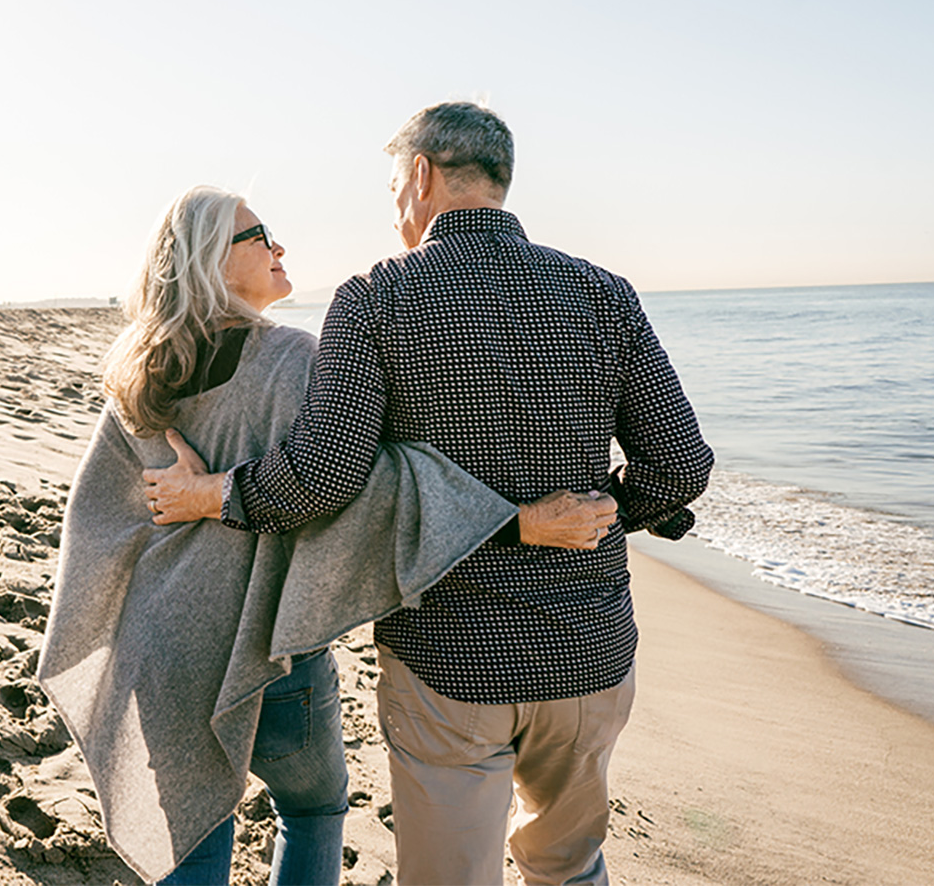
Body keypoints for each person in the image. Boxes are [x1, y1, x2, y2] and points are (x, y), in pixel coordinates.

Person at [144, 103, 714, 886]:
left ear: (420, 176)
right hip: (590, 650)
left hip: (451, 658)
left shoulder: (377, 296)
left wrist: (216, 493)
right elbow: (681, 465)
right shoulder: (603, 291)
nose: (394, 208)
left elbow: (323, 476)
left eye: (391, 186)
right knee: (570, 869)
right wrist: (616, 507)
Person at [37, 186, 616, 885]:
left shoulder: (138, 371)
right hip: (273, 651)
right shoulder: (293, 361)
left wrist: (181, 518)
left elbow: (98, 515)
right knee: (312, 809)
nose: (279, 247)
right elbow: (368, 487)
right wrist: (517, 518)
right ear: (211, 260)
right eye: (260, 236)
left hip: (163, 651)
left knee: (192, 834)